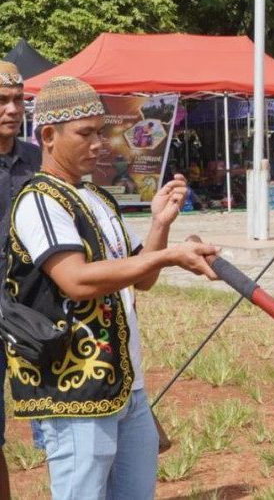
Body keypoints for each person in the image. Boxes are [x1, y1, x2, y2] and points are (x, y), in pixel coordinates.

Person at [6, 76, 218, 499]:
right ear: (49, 136)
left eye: (101, 132)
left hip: (126, 385)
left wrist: (160, 224)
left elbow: (142, 277)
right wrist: (167, 254)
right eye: (86, 133)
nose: (99, 143)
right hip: (76, 390)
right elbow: (76, 280)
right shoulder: (40, 201)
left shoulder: (98, 199)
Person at [0, 62, 38, 500]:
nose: (12, 109)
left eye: (17, 100)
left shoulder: (38, 159)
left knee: (62, 410)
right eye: (2, 101)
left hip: (37, 302)